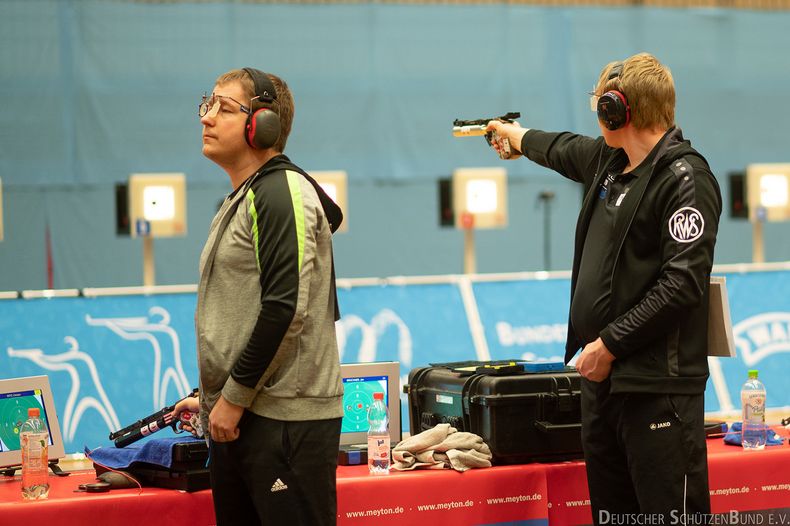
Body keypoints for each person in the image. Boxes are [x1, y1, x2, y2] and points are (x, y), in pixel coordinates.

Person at [487, 53, 721, 524]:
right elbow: (559, 147)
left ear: (618, 110)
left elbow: (681, 285)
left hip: (657, 390)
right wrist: (514, 136)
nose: (595, 111)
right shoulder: (610, 162)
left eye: (599, 103)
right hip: (604, 386)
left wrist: (610, 344)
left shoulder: (686, 180)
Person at [173, 67, 345, 526]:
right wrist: (213, 396)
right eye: (206, 105)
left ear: (262, 125)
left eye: (224, 108)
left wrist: (233, 396)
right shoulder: (243, 197)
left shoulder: (279, 191)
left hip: (281, 421)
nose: (207, 117)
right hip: (248, 413)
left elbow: (284, 308)